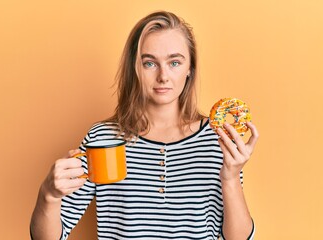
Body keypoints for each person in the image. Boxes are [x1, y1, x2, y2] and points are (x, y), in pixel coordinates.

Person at [30, 10, 259, 240]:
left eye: (175, 62)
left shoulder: (216, 138)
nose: (163, 76)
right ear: (135, 69)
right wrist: (48, 195)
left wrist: (230, 177)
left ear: (190, 68)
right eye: (150, 63)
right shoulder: (103, 138)